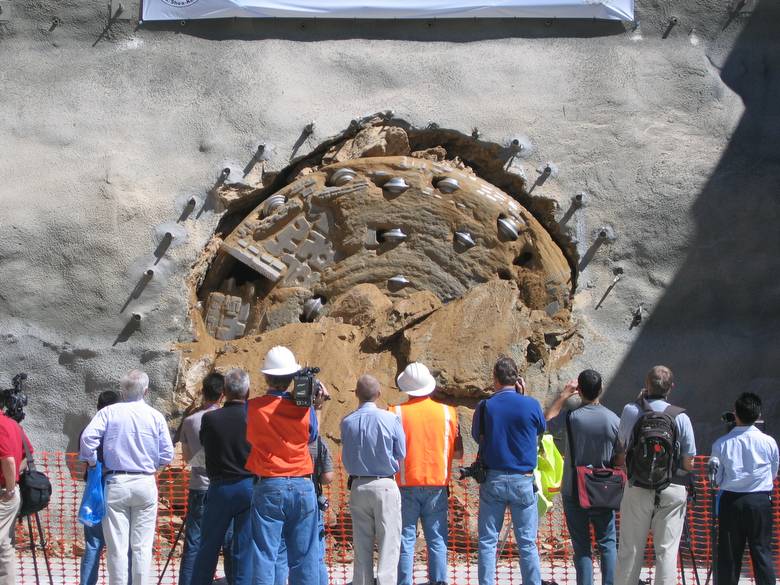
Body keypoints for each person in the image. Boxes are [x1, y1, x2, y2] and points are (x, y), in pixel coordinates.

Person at [80, 370, 174, 585]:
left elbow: (87, 439)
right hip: (145, 481)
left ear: (122, 390)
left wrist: (93, 462)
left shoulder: (108, 413)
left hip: (116, 482)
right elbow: (167, 453)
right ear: (146, 391)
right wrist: (153, 466)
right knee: (141, 547)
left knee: (117, 547)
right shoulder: (155, 416)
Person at [613, 366, 696, 585]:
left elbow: (621, 450)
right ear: (671, 388)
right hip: (672, 488)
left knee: (630, 550)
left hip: (637, 486)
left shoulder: (631, 410)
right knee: (667, 552)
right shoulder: (681, 417)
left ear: (646, 384)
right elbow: (689, 462)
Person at [247, 346, 321, 585]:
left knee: (265, 554)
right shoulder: (304, 408)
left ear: (266, 377)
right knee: (304, 556)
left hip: (269, 485)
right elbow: (312, 437)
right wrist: (316, 406)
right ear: (292, 378)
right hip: (302, 483)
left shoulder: (253, 407)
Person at [471, 356, 545, 585]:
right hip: (522, 479)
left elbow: (477, 437)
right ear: (517, 379)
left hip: (493, 478)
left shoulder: (485, 407)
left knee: (487, 541)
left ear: (495, 379)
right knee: (527, 542)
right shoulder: (531, 404)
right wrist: (522, 397)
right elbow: (540, 429)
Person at [544, 370, 620, 585]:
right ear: (601, 389)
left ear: (579, 391)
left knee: (581, 546)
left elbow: (546, 421)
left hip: (574, 489)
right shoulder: (613, 419)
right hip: (604, 489)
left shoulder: (571, 418)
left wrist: (563, 396)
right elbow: (622, 453)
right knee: (607, 543)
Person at [392, 362, 463, 585]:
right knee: (437, 539)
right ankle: (439, 581)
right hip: (437, 485)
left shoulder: (395, 413)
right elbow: (458, 452)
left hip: (405, 485)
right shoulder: (448, 413)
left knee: (405, 540)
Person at [192, 369, 256, 585]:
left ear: (225, 391)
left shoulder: (211, 418)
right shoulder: (255, 416)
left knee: (208, 547)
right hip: (249, 486)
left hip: (220, 487)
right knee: (243, 549)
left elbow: (205, 444)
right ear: (247, 392)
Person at [341, 374, 406, 585]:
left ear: (356, 394)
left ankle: (362, 582)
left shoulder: (347, 422)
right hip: (385, 483)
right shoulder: (390, 419)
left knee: (361, 543)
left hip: (358, 485)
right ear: (378, 394)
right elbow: (401, 453)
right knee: (389, 543)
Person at [710, 392, 778, 585]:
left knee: (729, 557)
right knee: (762, 552)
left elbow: (716, 478)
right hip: (760, 501)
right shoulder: (769, 442)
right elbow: (773, 472)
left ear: (735, 414)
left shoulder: (721, 444)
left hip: (731, 501)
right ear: (758, 415)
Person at [177, 372, 225, 585]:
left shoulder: (189, 422)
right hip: (222, 487)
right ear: (222, 394)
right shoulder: (226, 419)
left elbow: (188, 458)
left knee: (193, 543)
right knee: (227, 543)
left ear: (203, 392)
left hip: (198, 486)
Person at [79, 390, 128, 585]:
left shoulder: (89, 429)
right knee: (122, 543)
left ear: (98, 406)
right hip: (118, 485)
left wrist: (93, 466)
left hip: (95, 489)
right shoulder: (120, 430)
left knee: (93, 543)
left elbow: (85, 455)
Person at [274, 434, 335, 585]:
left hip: (278, 496)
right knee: (313, 554)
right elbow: (328, 477)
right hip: (310, 499)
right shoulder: (319, 442)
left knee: (279, 554)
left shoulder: (279, 437)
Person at [0, 406, 33, 585]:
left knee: (4, 546)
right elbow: (28, 455)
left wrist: (10, 487)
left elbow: (8, 460)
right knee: (5, 546)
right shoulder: (13, 425)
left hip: (4, 493)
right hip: (9, 492)